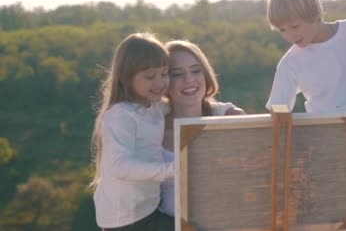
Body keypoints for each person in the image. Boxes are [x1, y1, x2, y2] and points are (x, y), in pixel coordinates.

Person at [90, 33, 175, 230]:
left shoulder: (154, 105)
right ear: (125, 77)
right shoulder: (120, 115)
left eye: (164, 73)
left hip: (148, 208)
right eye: (150, 76)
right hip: (125, 220)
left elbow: (182, 106)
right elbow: (120, 166)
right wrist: (171, 170)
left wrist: (223, 109)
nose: (160, 83)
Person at [159, 40, 245, 217]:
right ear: (164, 81)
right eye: (177, 74)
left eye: (196, 70)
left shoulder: (230, 118)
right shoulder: (152, 128)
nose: (189, 79)